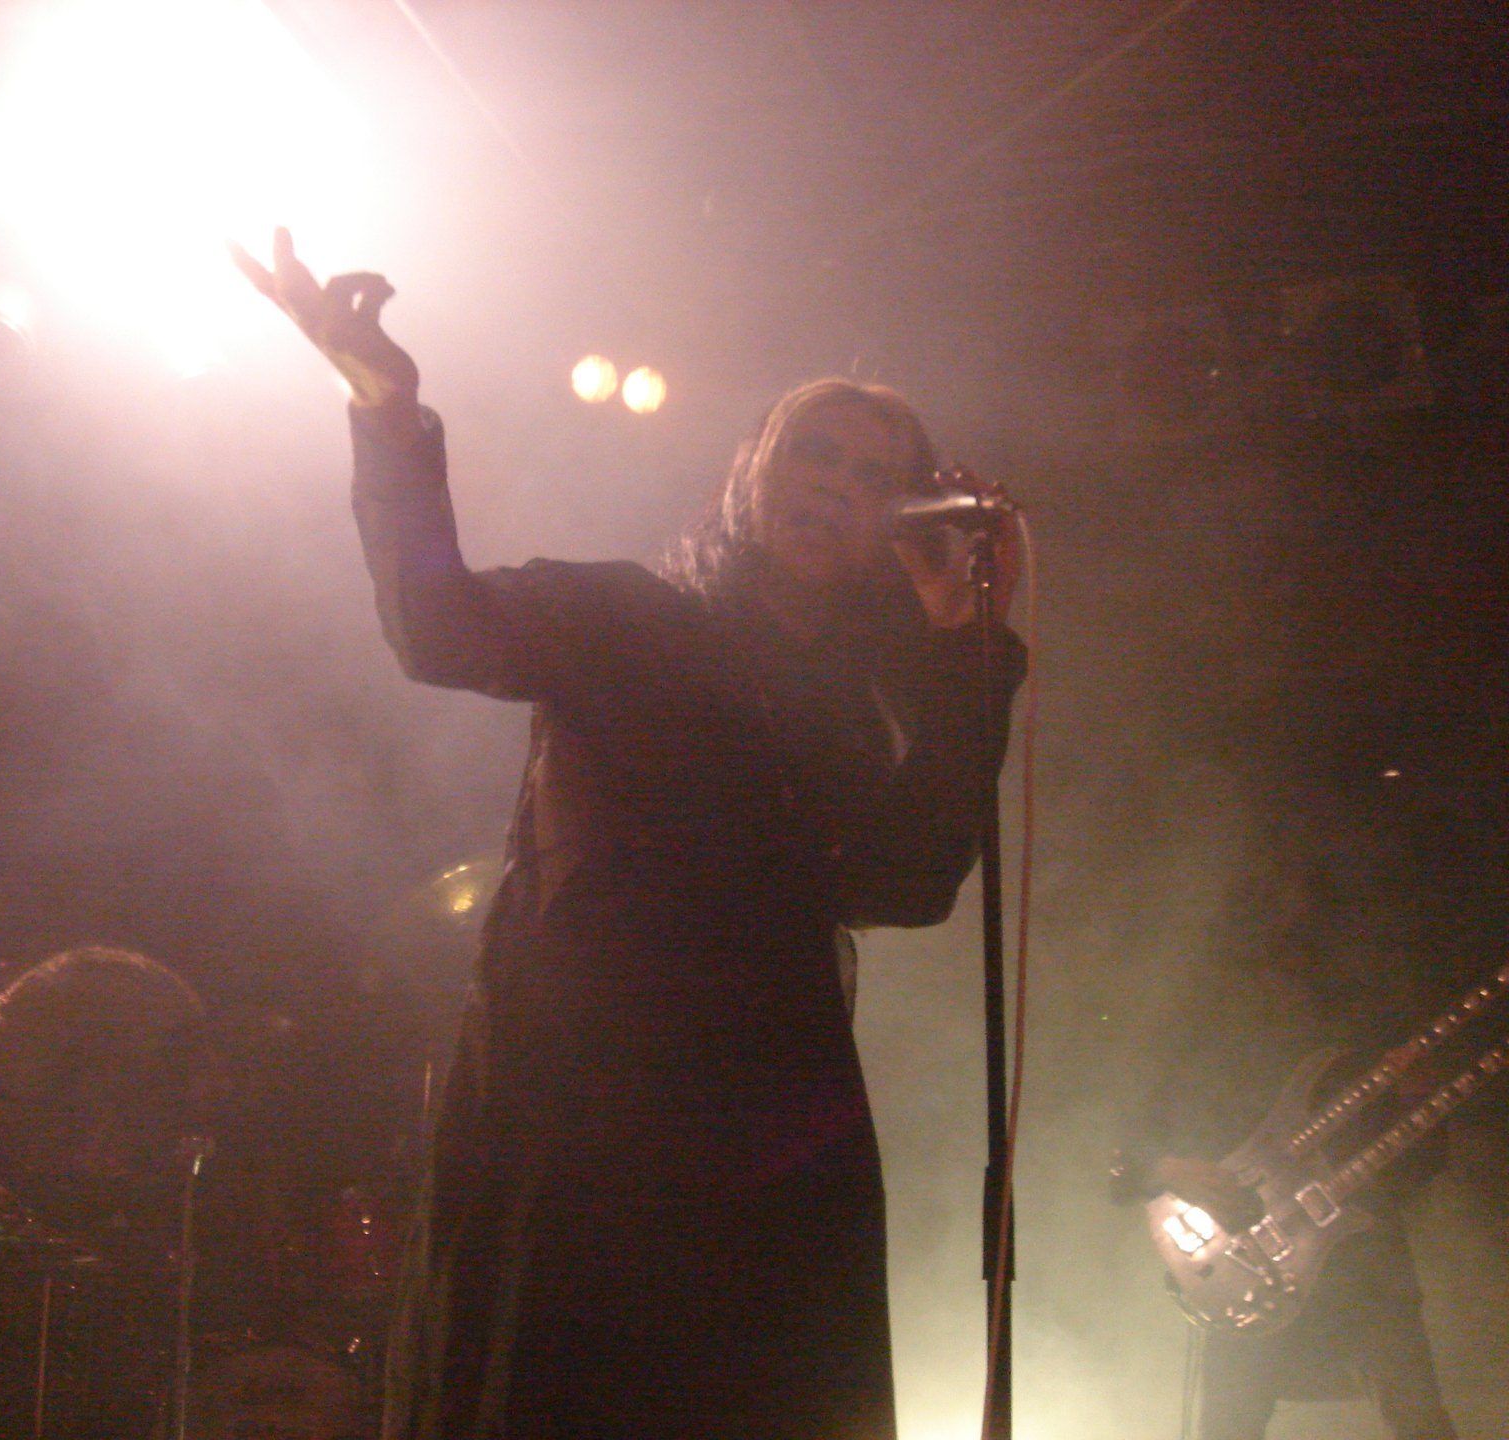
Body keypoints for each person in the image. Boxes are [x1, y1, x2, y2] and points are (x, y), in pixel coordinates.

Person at [235, 230, 1024, 1440]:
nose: (836, 485)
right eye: (813, 453)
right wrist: (389, 415)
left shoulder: (854, 711)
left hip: (775, 1122)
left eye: (875, 477)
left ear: (894, 520)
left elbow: (911, 881)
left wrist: (966, 642)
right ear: (751, 470)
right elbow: (435, 625)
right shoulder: (619, 617)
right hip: (588, 1105)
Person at [1111, 860, 1457, 1440]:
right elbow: (1123, 1162)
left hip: (1363, 1259)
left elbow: (1420, 1165)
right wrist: (1170, 1168)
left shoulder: (1364, 1020)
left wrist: (1422, 1101)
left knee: (1420, 1422)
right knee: (1230, 1428)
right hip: (1246, 1262)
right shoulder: (1204, 1026)